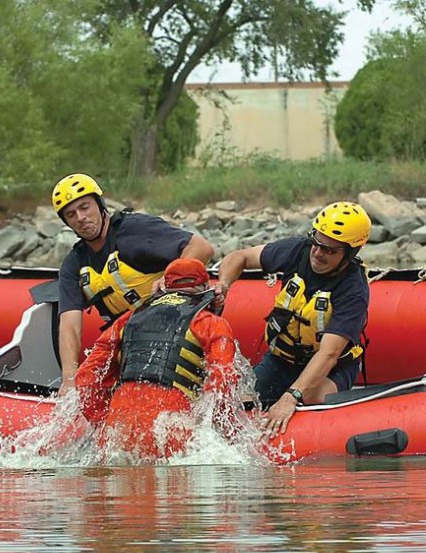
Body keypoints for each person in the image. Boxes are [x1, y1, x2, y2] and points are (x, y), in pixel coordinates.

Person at [215, 201, 371, 437]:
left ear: (350, 254)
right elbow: (240, 257)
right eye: (317, 243)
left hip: (332, 369)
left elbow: (329, 354)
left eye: (330, 250)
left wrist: (292, 396)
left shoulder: (353, 291)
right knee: (237, 400)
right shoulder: (297, 250)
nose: (318, 254)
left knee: (311, 398)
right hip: (282, 360)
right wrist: (223, 287)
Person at [52, 173, 214, 386]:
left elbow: (202, 248)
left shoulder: (135, 230)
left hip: (177, 327)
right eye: (71, 214)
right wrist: (69, 378)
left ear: (100, 205)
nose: (80, 217)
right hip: (133, 341)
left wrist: (169, 279)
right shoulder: (73, 264)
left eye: (85, 207)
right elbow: (69, 325)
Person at [73, 258, 242, 458]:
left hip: (118, 427)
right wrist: (221, 432)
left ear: (165, 286)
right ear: (205, 287)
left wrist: (103, 421)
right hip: (171, 428)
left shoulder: (127, 319)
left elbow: (86, 378)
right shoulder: (210, 323)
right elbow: (224, 380)